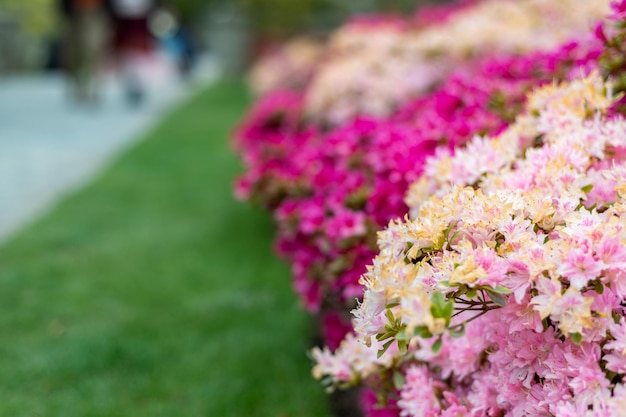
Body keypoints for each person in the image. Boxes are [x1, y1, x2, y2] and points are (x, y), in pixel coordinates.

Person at [59, 0, 111, 104]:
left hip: (96, 14)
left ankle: (92, 88)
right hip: (75, 15)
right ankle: (79, 87)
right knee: (75, 54)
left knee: (92, 51)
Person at [109, 0, 156, 105]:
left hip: (140, 12)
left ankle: (138, 83)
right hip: (122, 13)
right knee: (126, 52)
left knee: (138, 51)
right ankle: (131, 84)